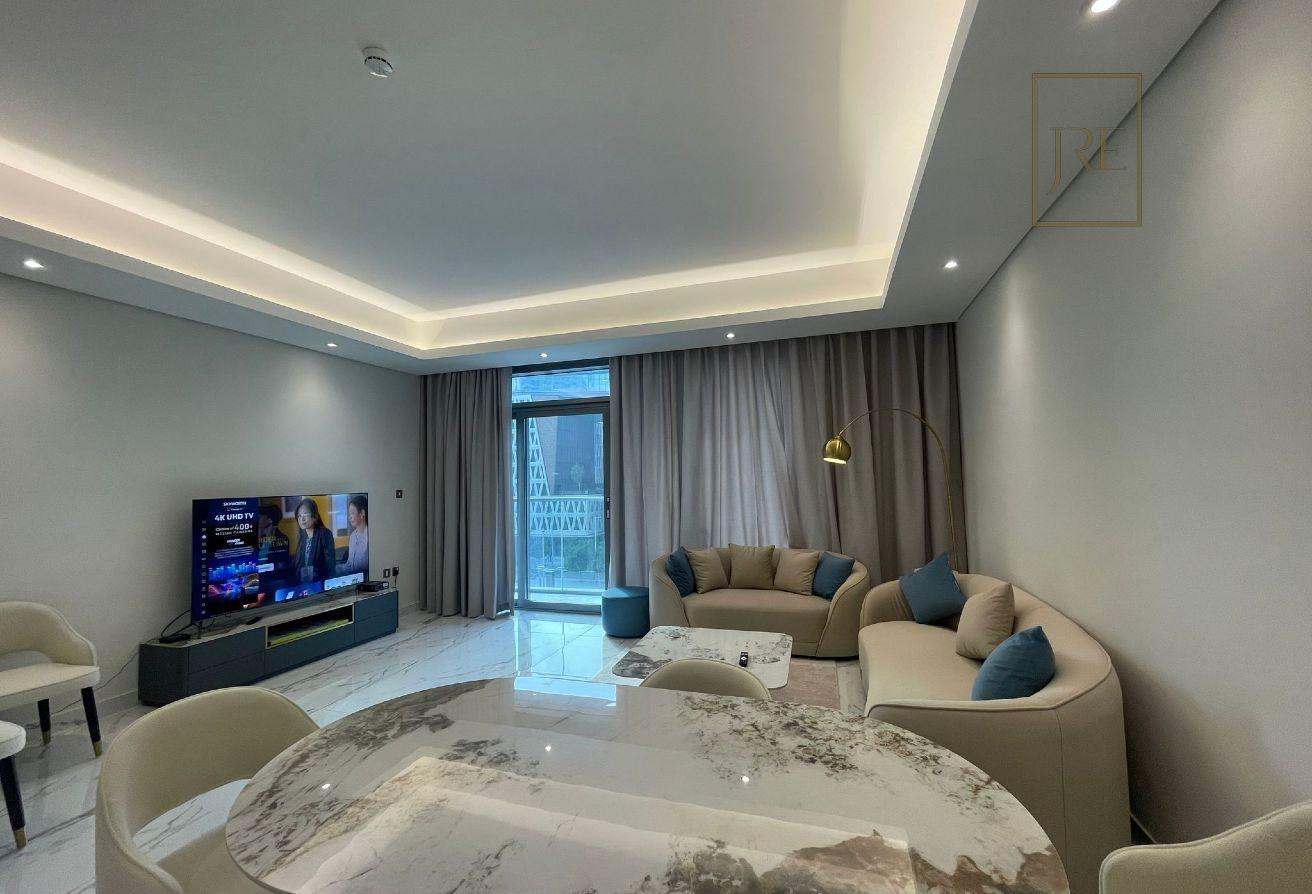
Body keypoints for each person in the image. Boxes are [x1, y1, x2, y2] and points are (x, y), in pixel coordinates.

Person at [291, 497, 336, 583]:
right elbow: (298, 566)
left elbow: (330, 566)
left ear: (315, 517)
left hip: (321, 583)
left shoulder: (325, 534)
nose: (302, 519)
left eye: (305, 514)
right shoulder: (302, 536)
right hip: (304, 585)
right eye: (299, 516)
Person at [342, 494, 369, 575]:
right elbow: (349, 564)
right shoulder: (352, 536)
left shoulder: (370, 535)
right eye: (349, 514)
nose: (349, 517)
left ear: (362, 513)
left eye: (352, 513)